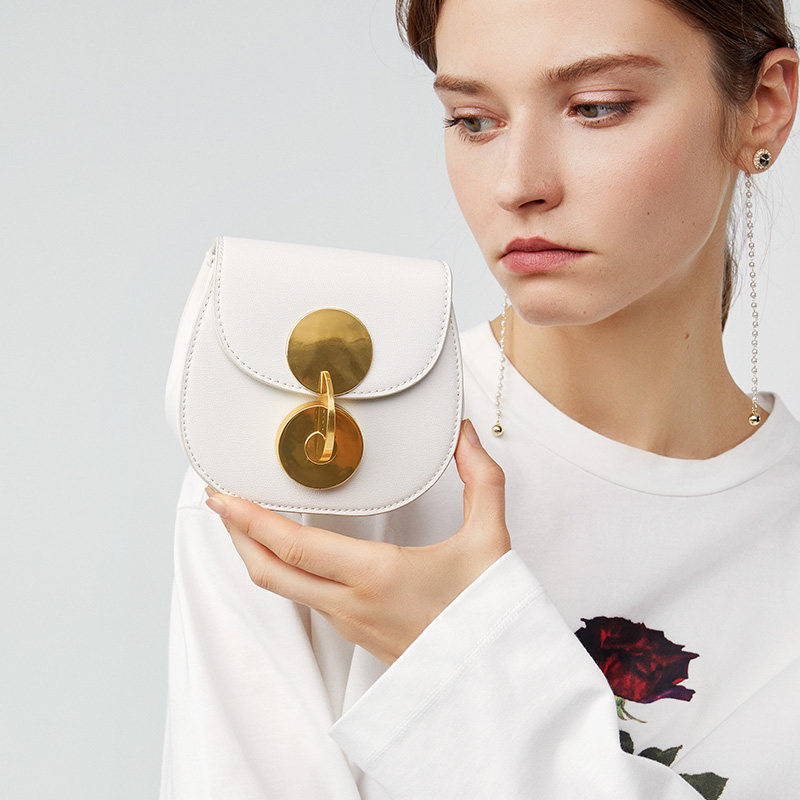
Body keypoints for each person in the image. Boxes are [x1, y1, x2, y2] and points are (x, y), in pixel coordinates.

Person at [158, 0, 800, 797]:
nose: (518, 184)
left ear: (764, 107)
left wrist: (457, 658)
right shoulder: (311, 466)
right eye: (473, 121)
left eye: (597, 108)